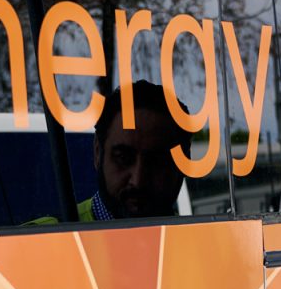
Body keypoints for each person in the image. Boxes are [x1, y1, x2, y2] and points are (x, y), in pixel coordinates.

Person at [30, 80, 189, 223]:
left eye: (156, 162)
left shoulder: (199, 241)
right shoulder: (38, 243)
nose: (138, 180)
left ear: (184, 165)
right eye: (123, 158)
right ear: (98, 152)